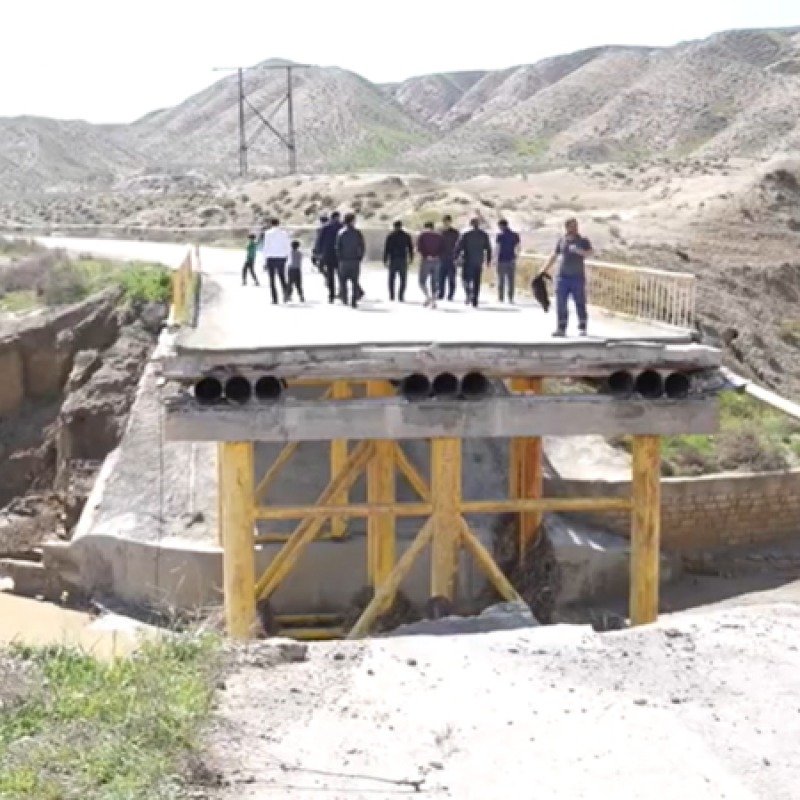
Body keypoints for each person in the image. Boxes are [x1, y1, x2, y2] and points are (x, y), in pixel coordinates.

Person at [541, 217, 594, 336]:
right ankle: (561, 327)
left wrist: (580, 251)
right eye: (572, 226)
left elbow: (590, 252)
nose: (575, 228)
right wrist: (543, 270)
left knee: (580, 302)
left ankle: (582, 326)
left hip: (577, 277)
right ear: (567, 227)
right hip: (562, 277)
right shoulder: (561, 240)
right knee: (561, 303)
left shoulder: (583, 240)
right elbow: (554, 255)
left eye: (576, 226)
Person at [455, 217, 492, 307]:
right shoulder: (484, 235)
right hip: (478, 261)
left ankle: (469, 293)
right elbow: (488, 248)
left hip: (467, 260)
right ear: (478, 224)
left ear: (470, 224)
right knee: (477, 281)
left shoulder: (466, 234)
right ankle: (475, 300)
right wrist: (488, 261)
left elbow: (458, 247)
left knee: (465, 279)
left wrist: (456, 257)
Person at [336, 213, 366, 308]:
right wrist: (360, 257)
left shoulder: (341, 233)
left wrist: (340, 258)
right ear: (352, 221)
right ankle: (353, 301)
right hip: (354, 260)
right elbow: (362, 246)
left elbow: (337, 247)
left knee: (343, 281)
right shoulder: (357, 233)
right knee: (354, 281)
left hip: (343, 261)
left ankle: (345, 299)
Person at [262, 217, 291, 304]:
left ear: (271, 224)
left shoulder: (268, 233)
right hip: (281, 257)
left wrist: (264, 260)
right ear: (278, 223)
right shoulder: (284, 233)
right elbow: (287, 246)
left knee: (272, 279)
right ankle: (286, 295)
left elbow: (266, 247)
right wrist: (288, 257)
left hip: (271, 257)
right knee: (282, 277)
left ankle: (275, 299)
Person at [383, 220, 413, 301]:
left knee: (391, 279)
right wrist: (411, 258)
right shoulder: (406, 236)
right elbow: (410, 248)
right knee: (403, 279)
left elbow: (386, 249)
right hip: (402, 259)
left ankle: (392, 296)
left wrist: (385, 260)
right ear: (401, 226)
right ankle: (401, 296)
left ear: (394, 226)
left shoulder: (390, 236)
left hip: (393, 259)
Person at [416, 220, 444, 308]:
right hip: (437, 261)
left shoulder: (422, 235)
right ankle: (434, 301)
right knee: (435, 282)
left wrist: (426, 255)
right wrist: (436, 256)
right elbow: (443, 249)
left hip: (426, 260)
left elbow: (419, 248)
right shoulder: (439, 236)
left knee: (422, 281)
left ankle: (428, 297)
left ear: (425, 227)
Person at [495, 218, 521, 303]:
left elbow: (497, 248)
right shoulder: (515, 235)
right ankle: (510, 298)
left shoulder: (499, 235)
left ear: (501, 225)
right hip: (511, 260)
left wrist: (495, 259)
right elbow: (518, 247)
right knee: (511, 280)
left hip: (501, 260)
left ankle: (501, 298)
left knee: (501, 279)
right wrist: (516, 257)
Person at [438, 214, 459, 301]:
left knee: (451, 278)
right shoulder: (440, 232)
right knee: (441, 277)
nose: (446, 223)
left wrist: (457, 256)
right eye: (445, 221)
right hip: (441, 257)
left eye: (448, 221)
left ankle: (450, 295)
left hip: (452, 258)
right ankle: (441, 293)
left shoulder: (455, 233)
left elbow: (458, 245)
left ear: (450, 222)